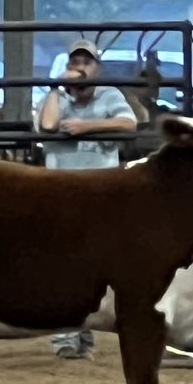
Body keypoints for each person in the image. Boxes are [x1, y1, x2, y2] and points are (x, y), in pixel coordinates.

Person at [35, 38, 137, 359]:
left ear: (97, 68)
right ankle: (65, 340)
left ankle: (84, 335)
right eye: (74, 62)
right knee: (64, 270)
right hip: (62, 195)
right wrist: (55, 87)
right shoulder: (56, 100)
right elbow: (47, 125)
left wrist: (86, 127)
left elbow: (129, 123)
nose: (80, 68)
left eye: (86, 62)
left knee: (95, 272)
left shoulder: (110, 96)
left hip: (100, 197)